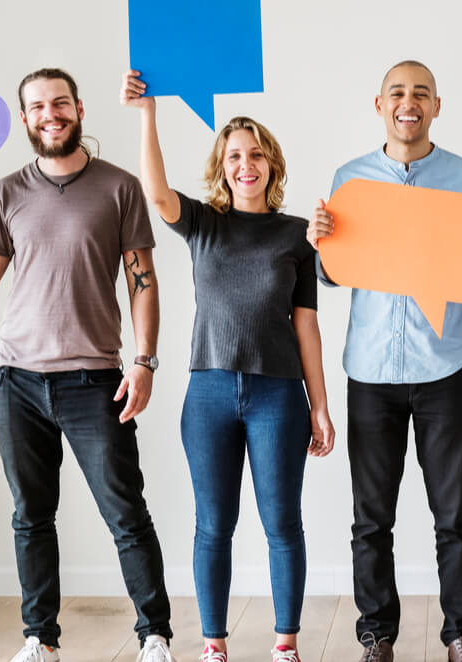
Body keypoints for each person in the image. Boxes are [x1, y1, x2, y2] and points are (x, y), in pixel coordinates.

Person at [0, 68, 176, 662]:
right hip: (16, 381)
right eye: (39, 106)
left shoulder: (119, 188)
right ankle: (40, 640)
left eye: (61, 103)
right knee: (31, 517)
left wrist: (145, 361)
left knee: (125, 512)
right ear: (26, 119)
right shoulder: (7, 191)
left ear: (79, 109)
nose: (51, 114)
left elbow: (141, 282)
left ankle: (154, 635)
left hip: (95, 379)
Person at [121, 71, 335, 662]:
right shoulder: (203, 224)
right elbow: (155, 190)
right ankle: (213, 645)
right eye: (235, 155)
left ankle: (285, 644)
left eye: (256, 154)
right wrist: (148, 115)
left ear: (272, 164)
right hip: (209, 393)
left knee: (281, 524)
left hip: (278, 396)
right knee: (212, 525)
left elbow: (306, 327)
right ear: (221, 166)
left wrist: (319, 406)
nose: (247, 164)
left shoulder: (299, 236)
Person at [307, 60, 462, 662]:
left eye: (421, 93)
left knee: (454, 514)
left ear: (437, 106)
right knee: (370, 518)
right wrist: (320, 244)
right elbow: (332, 273)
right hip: (370, 374)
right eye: (398, 92)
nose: (409, 102)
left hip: (444, 370)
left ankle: (460, 632)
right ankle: (376, 634)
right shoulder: (350, 180)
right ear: (379, 104)